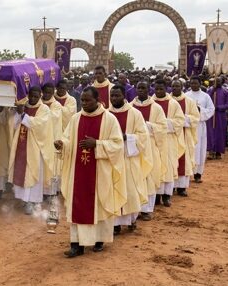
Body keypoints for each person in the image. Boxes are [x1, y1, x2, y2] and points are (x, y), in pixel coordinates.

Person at [55, 86, 126, 257]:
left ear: (98, 100)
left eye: (88, 100)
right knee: (77, 204)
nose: (84, 103)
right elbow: (68, 138)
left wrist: (98, 144)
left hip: (99, 172)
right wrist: (61, 144)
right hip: (77, 172)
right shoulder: (76, 119)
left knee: (99, 205)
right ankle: (76, 245)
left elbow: (117, 144)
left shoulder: (109, 119)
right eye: (83, 101)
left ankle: (99, 240)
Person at [109, 85, 151, 234]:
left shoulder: (135, 113)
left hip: (128, 158)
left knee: (130, 190)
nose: (114, 99)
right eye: (112, 96)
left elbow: (143, 135)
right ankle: (115, 224)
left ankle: (131, 219)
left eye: (117, 95)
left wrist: (128, 137)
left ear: (123, 96)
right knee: (114, 190)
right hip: (112, 160)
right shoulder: (107, 114)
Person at [9, 86, 54, 215]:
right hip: (21, 144)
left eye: (36, 96)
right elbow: (15, 124)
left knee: (33, 173)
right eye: (31, 96)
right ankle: (24, 199)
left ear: (40, 95)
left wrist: (23, 114)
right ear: (28, 95)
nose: (33, 98)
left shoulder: (44, 108)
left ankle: (33, 201)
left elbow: (41, 125)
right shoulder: (24, 106)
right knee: (23, 172)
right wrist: (17, 112)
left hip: (35, 147)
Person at [132, 81, 168, 221]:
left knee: (149, 176)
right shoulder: (130, 107)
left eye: (143, 88)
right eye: (138, 87)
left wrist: (148, 126)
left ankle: (146, 209)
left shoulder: (156, 108)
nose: (141, 90)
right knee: (136, 176)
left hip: (150, 146)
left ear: (148, 90)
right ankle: (135, 209)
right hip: (134, 147)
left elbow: (163, 127)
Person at [151, 79, 185, 207]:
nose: (159, 91)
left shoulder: (173, 103)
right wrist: (156, 127)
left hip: (169, 140)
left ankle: (166, 196)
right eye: (157, 89)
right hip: (154, 140)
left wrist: (163, 124)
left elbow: (180, 121)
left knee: (169, 166)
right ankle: (156, 196)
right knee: (156, 166)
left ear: (166, 89)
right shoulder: (150, 103)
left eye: (161, 89)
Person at [171, 80, 200, 196]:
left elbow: (195, 118)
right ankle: (171, 186)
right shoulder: (168, 101)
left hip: (185, 134)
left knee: (185, 160)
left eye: (177, 86)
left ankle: (182, 187)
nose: (175, 88)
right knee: (172, 159)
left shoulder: (189, 102)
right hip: (172, 135)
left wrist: (183, 119)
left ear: (182, 87)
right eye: (173, 86)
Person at [185, 76, 215, 183]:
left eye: (196, 83)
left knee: (200, 149)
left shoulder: (205, 96)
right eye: (192, 83)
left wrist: (199, 110)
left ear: (200, 83)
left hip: (200, 126)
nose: (194, 85)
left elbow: (211, 110)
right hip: (189, 126)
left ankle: (198, 174)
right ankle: (188, 173)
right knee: (190, 149)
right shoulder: (186, 96)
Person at [206, 77, 227, 160]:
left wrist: (219, 107)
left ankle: (218, 152)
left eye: (219, 81)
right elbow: (206, 99)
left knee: (220, 133)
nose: (217, 83)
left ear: (222, 82)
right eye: (216, 81)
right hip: (211, 115)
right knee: (211, 132)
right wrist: (212, 91)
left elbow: (227, 104)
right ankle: (211, 151)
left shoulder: (225, 91)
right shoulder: (210, 90)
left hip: (220, 115)